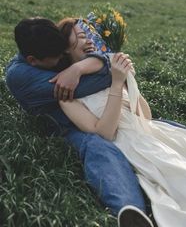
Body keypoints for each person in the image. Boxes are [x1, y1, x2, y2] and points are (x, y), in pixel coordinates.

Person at [57, 17, 186, 227]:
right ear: (65, 48)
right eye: (79, 37)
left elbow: (145, 115)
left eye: (88, 35)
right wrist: (116, 84)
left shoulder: (106, 72)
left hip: (148, 130)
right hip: (127, 141)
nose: (87, 40)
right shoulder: (66, 93)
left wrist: (128, 81)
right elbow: (105, 133)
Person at [5, 17, 154, 227]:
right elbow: (94, 81)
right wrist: (110, 66)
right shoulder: (21, 76)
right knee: (98, 147)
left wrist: (78, 67)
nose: (61, 62)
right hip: (66, 126)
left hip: (93, 111)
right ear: (32, 60)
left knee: (165, 131)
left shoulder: (43, 45)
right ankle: (129, 209)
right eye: (57, 59)